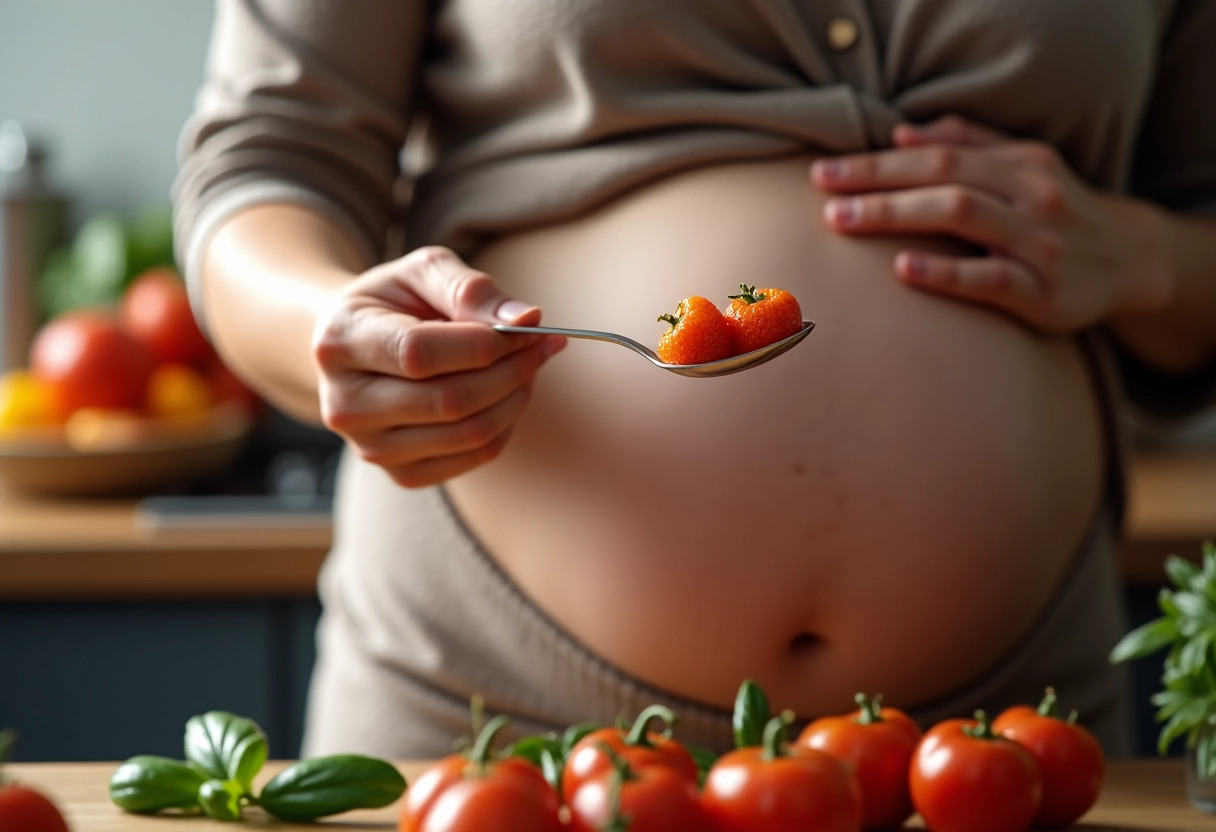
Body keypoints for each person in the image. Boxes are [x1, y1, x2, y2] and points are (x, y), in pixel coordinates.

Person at [174, 0, 1216, 760]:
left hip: (1009, 738)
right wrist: (333, 326)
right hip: (492, 713)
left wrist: (1146, 260)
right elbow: (269, 159)